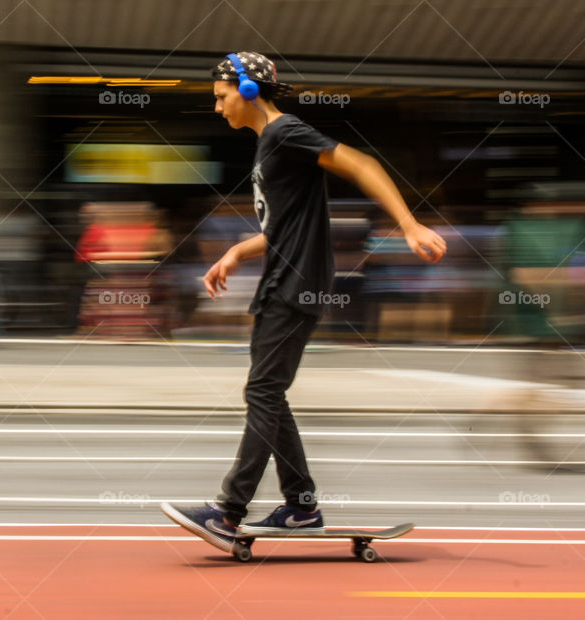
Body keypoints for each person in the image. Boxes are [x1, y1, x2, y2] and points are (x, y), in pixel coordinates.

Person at [161, 52, 447, 546]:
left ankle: (227, 512)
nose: (217, 108)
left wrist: (407, 223)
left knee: (263, 392)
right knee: (269, 393)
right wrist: (237, 252)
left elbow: (361, 163)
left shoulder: (283, 132)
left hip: (296, 284)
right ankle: (300, 507)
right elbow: (282, 228)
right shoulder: (271, 145)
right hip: (285, 280)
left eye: (221, 97)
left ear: (248, 91)